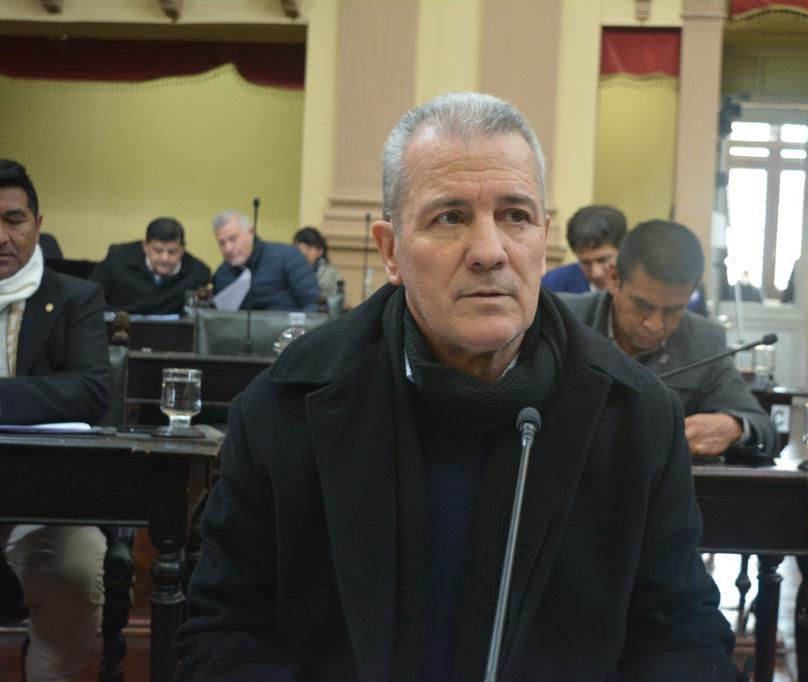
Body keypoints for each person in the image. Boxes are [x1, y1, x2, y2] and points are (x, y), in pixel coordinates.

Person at [176, 93, 738, 680]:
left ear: (542, 238)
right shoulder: (283, 407)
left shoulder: (637, 416)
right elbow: (226, 630)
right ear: (391, 251)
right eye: (449, 217)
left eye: (516, 216)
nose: (490, 252)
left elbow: (681, 634)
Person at [0, 159, 110, 680]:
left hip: (48, 497)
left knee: (76, 573)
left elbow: (88, 391)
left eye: (14, 220)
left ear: (38, 223)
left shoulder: (74, 298)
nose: (2, 237)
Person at [560, 219, 776, 458]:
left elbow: (763, 428)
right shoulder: (563, 320)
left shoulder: (705, 340)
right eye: (642, 305)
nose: (655, 324)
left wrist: (734, 428)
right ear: (614, 278)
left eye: (673, 310)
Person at [89, 216, 211, 315]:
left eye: (172, 252)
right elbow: (91, 301)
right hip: (119, 330)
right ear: (145, 247)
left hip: (171, 335)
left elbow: (196, 321)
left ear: (183, 249)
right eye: (158, 250)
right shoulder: (117, 259)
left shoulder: (198, 274)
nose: (165, 258)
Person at [210, 210, 319, 311]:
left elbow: (314, 305)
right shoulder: (222, 274)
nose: (228, 248)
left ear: (251, 232)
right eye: (222, 243)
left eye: (233, 239)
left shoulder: (288, 258)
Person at [541, 204, 626, 293]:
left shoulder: (635, 285)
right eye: (585, 263)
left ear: (622, 250)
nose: (596, 273)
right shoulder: (552, 287)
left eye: (603, 260)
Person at [293, 225, 343, 300]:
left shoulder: (329, 273)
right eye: (299, 249)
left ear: (320, 251)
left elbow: (333, 299)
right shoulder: (290, 270)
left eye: (308, 248)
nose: (304, 253)